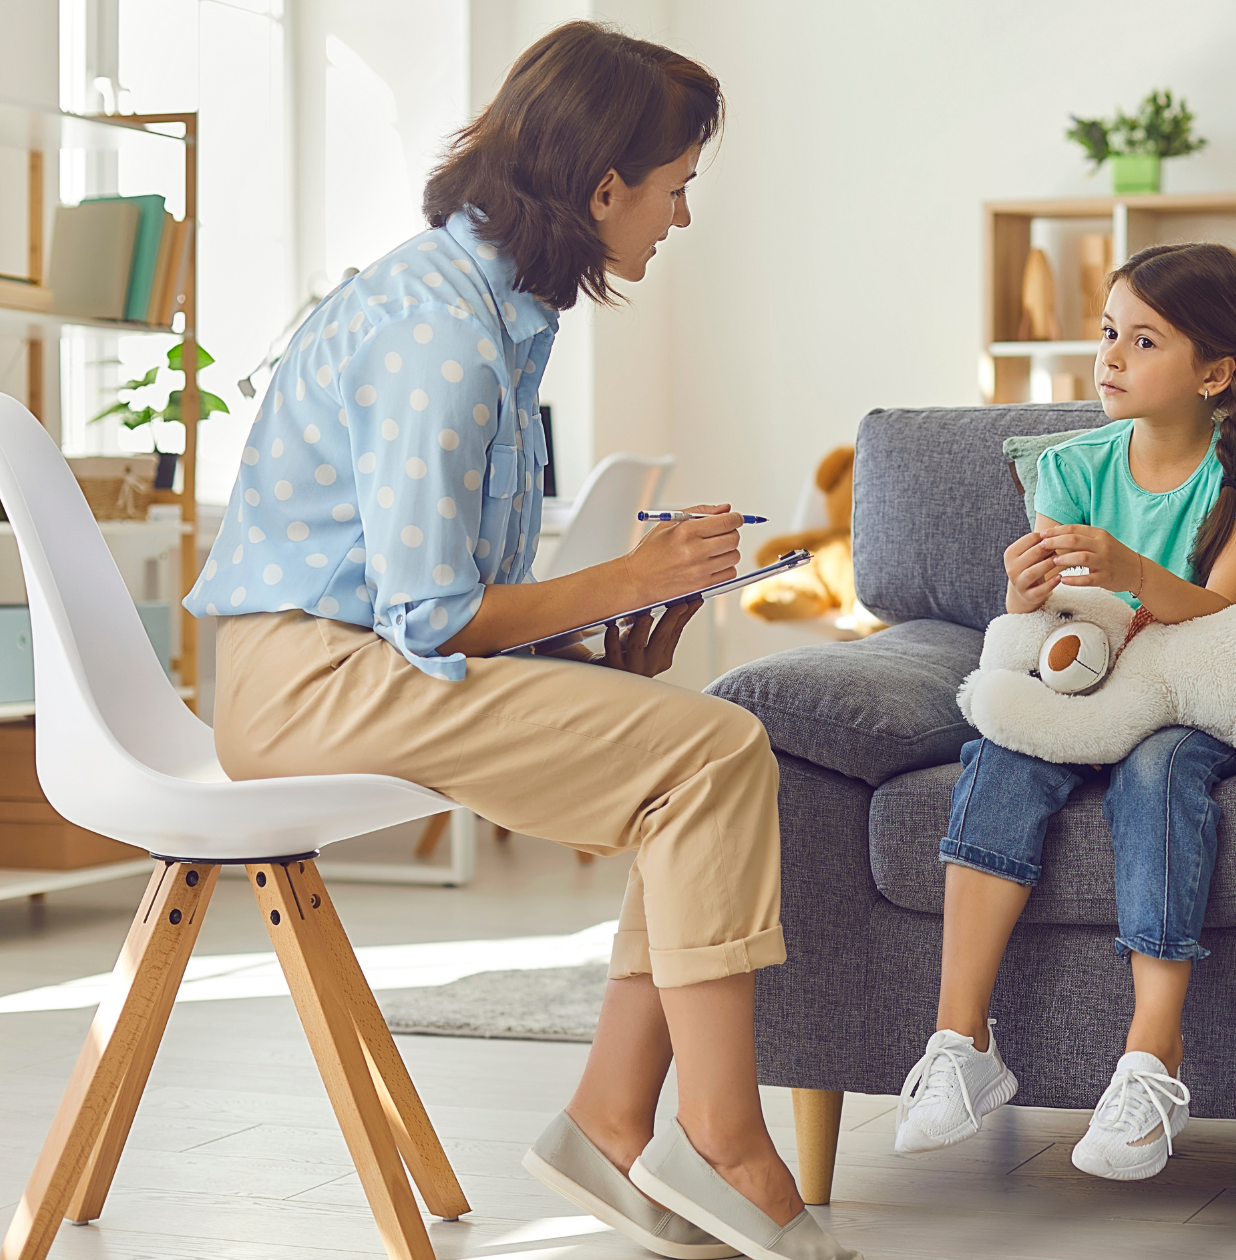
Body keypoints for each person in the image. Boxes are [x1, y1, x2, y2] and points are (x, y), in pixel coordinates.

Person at [186, 23, 859, 1260]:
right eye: (676, 191)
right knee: (711, 757)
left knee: (696, 754)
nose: (680, 219)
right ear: (606, 189)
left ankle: (615, 1123)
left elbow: (443, 599)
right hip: (309, 684)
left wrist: (603, 645)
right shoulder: (438, 332)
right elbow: (430, 614)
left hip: (357, 664)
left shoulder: (490, 311)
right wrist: (626, 574)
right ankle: (719, 1140)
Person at [893, 242, 1236, 1182]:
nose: (1109, 357)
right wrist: (1024, 596)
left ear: (1214, 372)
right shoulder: (1069, 468)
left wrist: (1136, 574)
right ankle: (961, 1043)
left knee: (1156, 775)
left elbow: (1230, 612)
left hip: (1190, 703)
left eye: (1143, 340)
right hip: (1089, 689)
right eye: (1109, 332)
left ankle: (1152, 1059)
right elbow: (1058, 629)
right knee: (1002, 750)